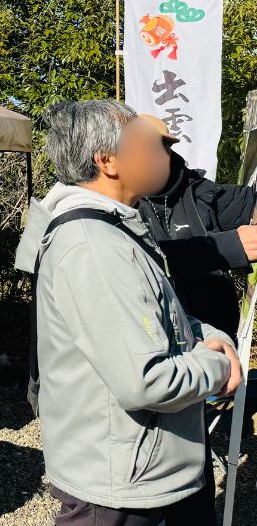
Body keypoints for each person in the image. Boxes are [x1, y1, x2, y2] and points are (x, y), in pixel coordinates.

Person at [20, 100, 241, 526]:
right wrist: (218, 365)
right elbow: (147, 381)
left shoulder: (118, 230)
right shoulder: (94, 247)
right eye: (151, 145)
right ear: (107, 161)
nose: (166, 156)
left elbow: (164, 320)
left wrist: (211, 336)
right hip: (120, 487)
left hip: (141, 470)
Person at [136, 113, 257, 340]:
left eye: (158, 147)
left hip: (219, 339)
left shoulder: (200, 192)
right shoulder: (120, 205)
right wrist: (229, 247)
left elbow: (247, 201)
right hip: (156, 340)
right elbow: (138, 258)